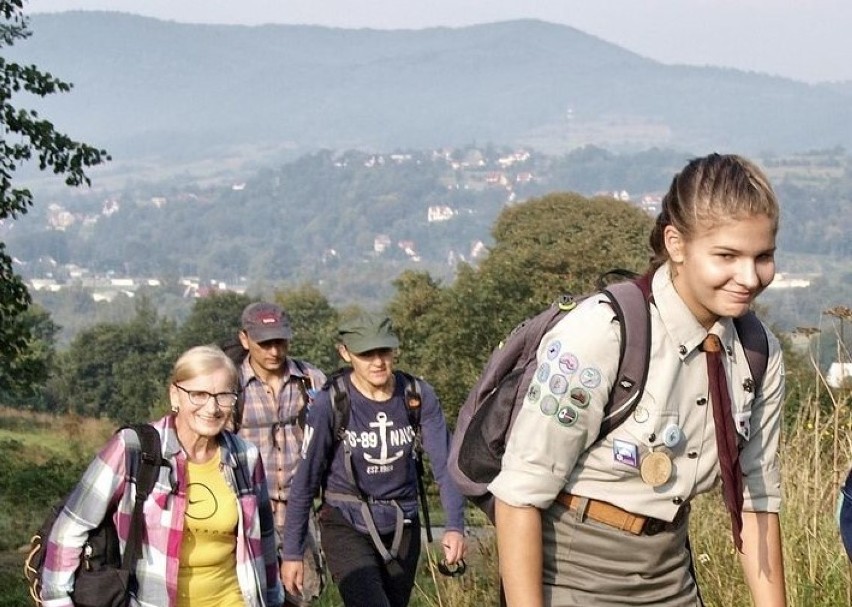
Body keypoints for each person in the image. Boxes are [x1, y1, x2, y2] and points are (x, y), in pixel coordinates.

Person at [489, 153, 787, 606]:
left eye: (762, 256)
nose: (749, 277)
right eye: (727, 255)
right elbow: (519, 498)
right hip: (569, 577)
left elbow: (757, 499)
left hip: (670, 575)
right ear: (676, 243)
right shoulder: (602, 333)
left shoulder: (756, 351)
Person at [40, 345, 284, 607]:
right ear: (175, 395)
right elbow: (70, 529)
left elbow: (264, 540)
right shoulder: (132, 448)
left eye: (224, 396)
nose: (212, 408)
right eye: (198, 394)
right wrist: (56, 600)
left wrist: (273, 599)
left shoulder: (245, 457)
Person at [280, 313, 468, 607]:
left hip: (402, 521)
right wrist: (292, 552)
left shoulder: (417, 395)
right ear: (345, 352)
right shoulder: (331, 403)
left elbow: (445, 465)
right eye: (366, 354)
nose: (378, 361)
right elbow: (305, 479)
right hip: (345, 521)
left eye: (384, 351)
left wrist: (455, 525)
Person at [235, 301, 328, 604]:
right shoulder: (231, 384)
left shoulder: (312, 380)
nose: (274, 351)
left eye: (280, 341)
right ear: (245, 340)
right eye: (265, 343)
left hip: (298, 512)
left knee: (302, 595)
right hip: (246, 513)